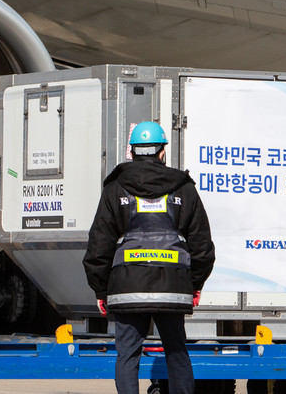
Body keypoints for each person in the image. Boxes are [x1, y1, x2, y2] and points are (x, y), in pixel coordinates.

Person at [83, 121, 215, 394]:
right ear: (162, 152)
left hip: (127, 286)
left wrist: (100, 288)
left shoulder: (114, 188)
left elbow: (99, 244)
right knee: (177, 351)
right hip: (173, 286)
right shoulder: (184, 188)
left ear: (131, 151)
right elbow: (202, 245)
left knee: (127, 355)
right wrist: (195, 285)